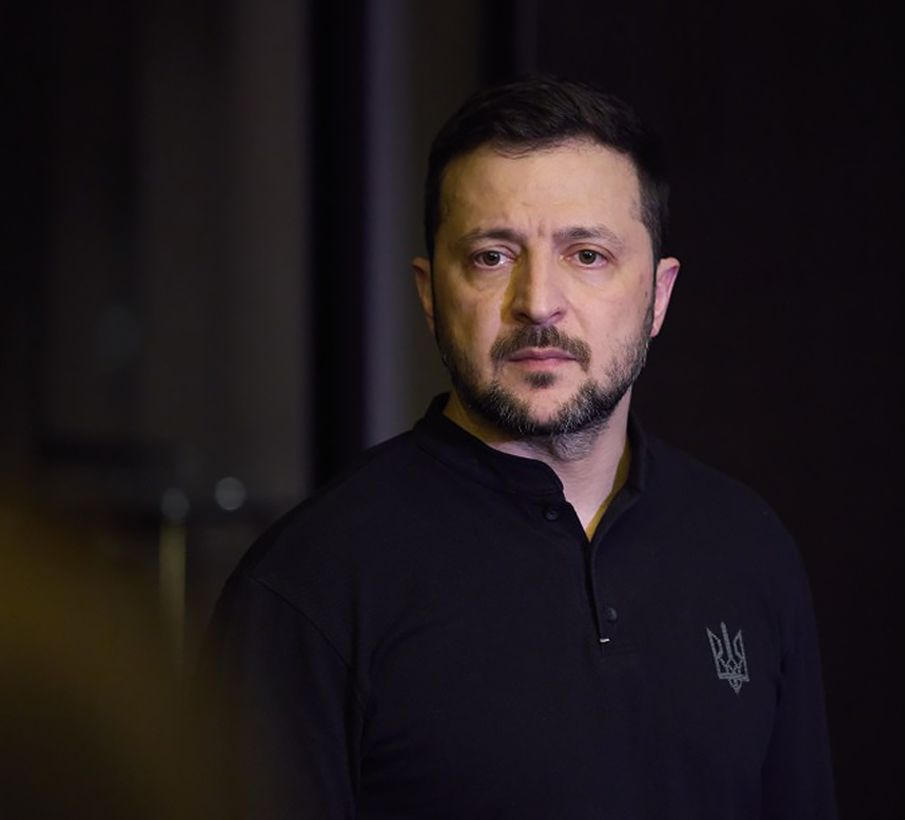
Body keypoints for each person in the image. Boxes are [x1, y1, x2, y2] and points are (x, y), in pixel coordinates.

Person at [204, 76, 837, 819]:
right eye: (492, 257)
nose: (538, 303)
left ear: (659, 296)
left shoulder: (747, 549)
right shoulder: (309, 585)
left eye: (588, 255)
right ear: (430, 294)